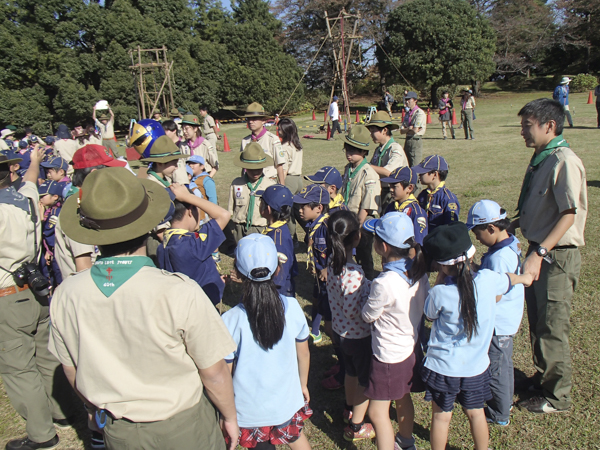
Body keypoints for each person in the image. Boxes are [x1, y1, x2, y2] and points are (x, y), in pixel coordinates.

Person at [47, 167, 239, 450]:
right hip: (183, 426)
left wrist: (97, 408)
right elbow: (214, 372)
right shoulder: (179, 291)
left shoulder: (66, 295)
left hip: (117, 429)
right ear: (146, 222)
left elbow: (72, 369)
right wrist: (230, 415)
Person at [421, 222, 533, 450]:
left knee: (441, 417)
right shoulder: (489, 280)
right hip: (476, 367)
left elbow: (429, 315)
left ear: (442, 265)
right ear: (471, 254)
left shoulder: (439, 293)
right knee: (476, 413)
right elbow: (509, 279)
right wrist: (525, 278)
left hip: (443, 368)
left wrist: (440, 279)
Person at [510, 98, 587, 414]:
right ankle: (543, 378)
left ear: (549, 126)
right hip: (539, 250)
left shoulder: (563, 161)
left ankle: (557, 396)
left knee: (552, 326)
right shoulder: (541, 159)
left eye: (527, 126)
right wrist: (513, 224)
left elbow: (569, 214)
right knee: (538, 322)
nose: (523, 133)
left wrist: (540, 253)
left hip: (555, 255)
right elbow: (541, 207)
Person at [0, 149, 75, 450]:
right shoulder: (27, 199)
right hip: (34, 287)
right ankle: (65, 411)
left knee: (19, 368)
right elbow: (31, 180)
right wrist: (33, 159)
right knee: (46, 355)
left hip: (6, 295)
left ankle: (42, 433)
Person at [222, 234, 311, 450]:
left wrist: (224, 412)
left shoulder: (230, 319)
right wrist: (303, 384)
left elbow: (225, 372)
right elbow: (304, 353)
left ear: (238, 272)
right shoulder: (293, 307)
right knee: (295, 438)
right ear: (278, 269)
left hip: (249, 411)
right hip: (287, 401)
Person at [361, 212, 429, 450]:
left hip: (387, 356)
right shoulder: (419, 271)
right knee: (402, 397)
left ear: (383, 246)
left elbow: (368, 315)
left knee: (377, 411)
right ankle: (406, 442)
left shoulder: (384, 282)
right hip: (409, 348)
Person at [467, 200, 524, 426]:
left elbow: (495, 293)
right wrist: (474, 268)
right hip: (506, 320)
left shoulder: (499, 258)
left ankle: (499, 413)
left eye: (478, 233)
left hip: (498, 323)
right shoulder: (508, 244)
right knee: (504, 364)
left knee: (497, 368)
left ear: (491, 228)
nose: (477, 238)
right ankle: (505, 402)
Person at [326, 210, 374, 442]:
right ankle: (357, 425)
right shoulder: (354, 273)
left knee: (350, 373)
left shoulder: (332, 262)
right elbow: (353, 311)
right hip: (358, 336)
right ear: (356, 237)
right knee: (365, 380)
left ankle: (348, 407)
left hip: (339, 332)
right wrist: (370, 294)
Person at [55, 145, 126, 281]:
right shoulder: (77, 209)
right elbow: (84, 266)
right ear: (94, 174)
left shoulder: (86, 201)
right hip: (90, 288)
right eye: (110, 170)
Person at [157, 183, 230, 306]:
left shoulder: (163, 245)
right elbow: (224, 215)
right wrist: (188, 197)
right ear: (190, 211)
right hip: (203, 307)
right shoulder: (192, 244)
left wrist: (217, 281)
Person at [340, 125, 381, 280]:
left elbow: (367, 204)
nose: (349, 154)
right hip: (349, 217)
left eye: (353, 151)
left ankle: (369, 281)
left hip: (362, 222)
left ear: (364, 152)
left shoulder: (369, 174)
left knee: (364, 255)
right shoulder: (348, 169)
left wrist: (357, 226)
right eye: (347, 150)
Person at [293, 184, 331, 344]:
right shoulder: (311, 226)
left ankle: (332, 332)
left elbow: (338, 251)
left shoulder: (328, 227)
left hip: (329, 278)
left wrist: (328, 268)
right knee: (315, 300)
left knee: (328, 307)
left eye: (304, 206)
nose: (300, 210)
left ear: (318, 208)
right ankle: (315, 331)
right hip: (318, 273)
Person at [226, 143, 277, 247]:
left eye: (259, 168)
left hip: (261, 227)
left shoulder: (270, 185)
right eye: (251, 168)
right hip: (240, 226)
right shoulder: (236, 183)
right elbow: (231, 208)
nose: (255, 172)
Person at [258, 184, 298, 298]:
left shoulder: (278, 238)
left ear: (268, 209)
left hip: (278, 293)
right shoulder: (276, 229)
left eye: (261, 203)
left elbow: (279, 276)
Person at [367, 111, 408, 212]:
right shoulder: (379, 149)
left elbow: (389, 172)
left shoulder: (395, 149)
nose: (371, 134)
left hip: (392, 192)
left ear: (384, 130)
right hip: (381, 190)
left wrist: (366, 166)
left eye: (373, 131)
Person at [240, 103, 286, 184]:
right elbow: (243, 167)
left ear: (263, 120)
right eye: (248, 119)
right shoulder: (245, 141)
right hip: (249, 183)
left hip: (268, 182)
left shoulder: (272, 139)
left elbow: (279, 165)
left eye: (254, 119)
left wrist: (282, 186)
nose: (250, 122)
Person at [382, 166, 428, 245]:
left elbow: (419, 242)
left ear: (409, 188)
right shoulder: (391, 207)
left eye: (394, 186)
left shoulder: (417, 212)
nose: (390, 189)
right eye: (390, 186)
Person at [414, 155, 459, 231]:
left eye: (422, 173)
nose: (419, 175)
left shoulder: (448, 199)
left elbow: (451, 227)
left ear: (434, 174)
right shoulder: (423, 195)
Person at [38, 180, 68, 288]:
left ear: (55, 197)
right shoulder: (52, 210)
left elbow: (48, 232)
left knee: (60, 282)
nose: (40, 199)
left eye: (43, 196)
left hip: (57, 252)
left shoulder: (55, 213)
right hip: (54, 251)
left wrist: (41, 219)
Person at [400, 91, 426, 167]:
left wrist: (407, 129)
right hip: (407, 140)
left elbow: (415, 130)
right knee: (406, 165)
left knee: (415, 166)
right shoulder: (408, 113)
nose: (407, 101)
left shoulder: (419, 112)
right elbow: (401, 131)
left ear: (415, 100)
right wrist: (409, 128)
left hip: (415, 140)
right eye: (406, 99)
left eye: (409, 99)